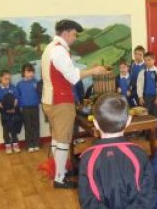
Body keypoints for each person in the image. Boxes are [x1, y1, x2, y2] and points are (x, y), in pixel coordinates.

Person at [41, 19, 106, 189]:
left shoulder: (50, 47)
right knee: (63, 140)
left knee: (56, 138)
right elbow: (72, 76)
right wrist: (94, 70)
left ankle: (58, 170)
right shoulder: (60, 51)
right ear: (66, 33)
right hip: (60, 102)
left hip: (49, 100)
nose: (75, 38)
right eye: (74, 34)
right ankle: (60, 178)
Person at [78, 93, 156, 208]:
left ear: (95, 123)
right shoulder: (139, 153)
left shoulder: (87, 159)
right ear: (129, 121)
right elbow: (148, 195)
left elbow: (87, 200)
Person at [137, 52, 157, 140]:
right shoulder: (142, 72)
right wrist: (140, 97)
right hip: (146, 98)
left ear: (154, 60)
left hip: (155, 97)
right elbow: (139, 85)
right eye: (145, 60)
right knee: (147, 116)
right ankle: (148, 134)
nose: (147, 62)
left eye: (149, 60)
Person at [0, 70, 22, 154]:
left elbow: (16, 99)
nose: (7, 81)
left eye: (9, 79)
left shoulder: (13, 87)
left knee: (14, 130)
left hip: (13, 113)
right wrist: (6, 109)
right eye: (5, 79)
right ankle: (8, 146)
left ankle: (15, 145)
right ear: (0, 78)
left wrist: (13, 107)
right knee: (6, 131)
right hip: (4, 114)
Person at [17, 63, 40, 152]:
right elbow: (17, 96)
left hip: (35, 106)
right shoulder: (20, 84)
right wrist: (19, 105)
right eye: (28, 71)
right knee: (28, 126)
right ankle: (29, 144)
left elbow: (40, 92)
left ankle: (36, 143)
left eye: (32, 71)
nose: (30, 73)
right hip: (25, 108)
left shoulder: (36, 82)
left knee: (36, 125)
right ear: (23, 73)